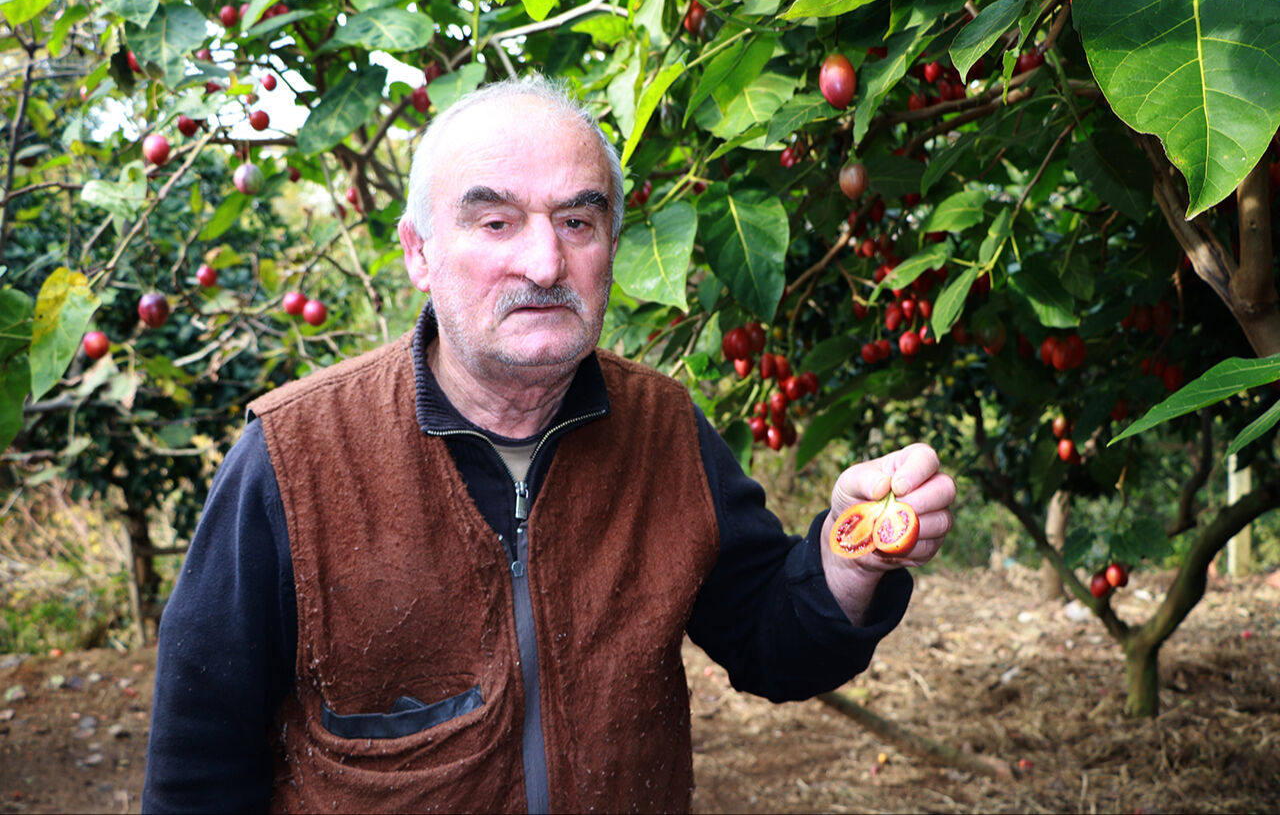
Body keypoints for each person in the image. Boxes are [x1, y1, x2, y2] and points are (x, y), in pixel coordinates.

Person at [142, 74, 956, 814]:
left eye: (577, 220)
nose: (544, 261)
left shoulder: (663, 429)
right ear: (419, 253)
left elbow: (771, 642)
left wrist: (846, 566)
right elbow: (198, 765)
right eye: (496, 221)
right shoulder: (294, 458)